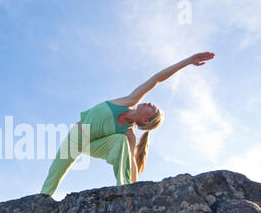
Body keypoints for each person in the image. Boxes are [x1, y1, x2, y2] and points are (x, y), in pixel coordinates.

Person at [40, 52, 216, 197]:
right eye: (152, 105)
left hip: (94, 145)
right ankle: (41, 202)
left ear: (146, 120)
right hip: (76, 137)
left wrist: (135, 190)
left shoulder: (128, 134)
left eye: (153, 110)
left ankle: (124, 192)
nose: (150, 104)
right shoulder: (129, 101)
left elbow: (130, 165)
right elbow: (156, 79)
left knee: (121, 143)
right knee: (53, 178)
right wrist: (187, 61)